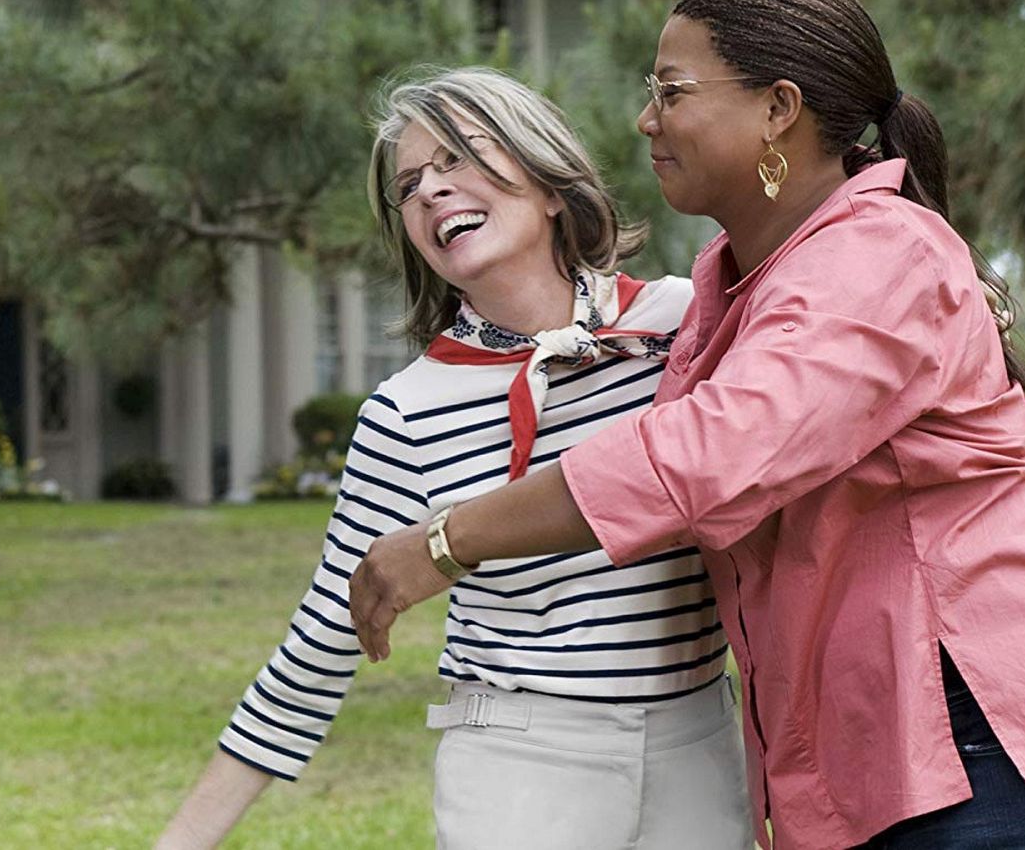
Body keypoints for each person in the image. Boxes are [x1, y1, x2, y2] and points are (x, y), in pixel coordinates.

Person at [349, 0, 1025, 850]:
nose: (647, 119)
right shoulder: (734, 286)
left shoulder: (879, 256)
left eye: (672, 90)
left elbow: (701, 457)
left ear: (779, 108)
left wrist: (446, 542)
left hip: (986, 745)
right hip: (880, 750)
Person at [157, 68, 749, 850]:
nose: (431, 190)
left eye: (458, 157)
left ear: (547, 184)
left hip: (702, 740)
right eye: (409, 185)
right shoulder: (407, 409)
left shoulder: (685, 321)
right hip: (521, 766)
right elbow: (323, 640)